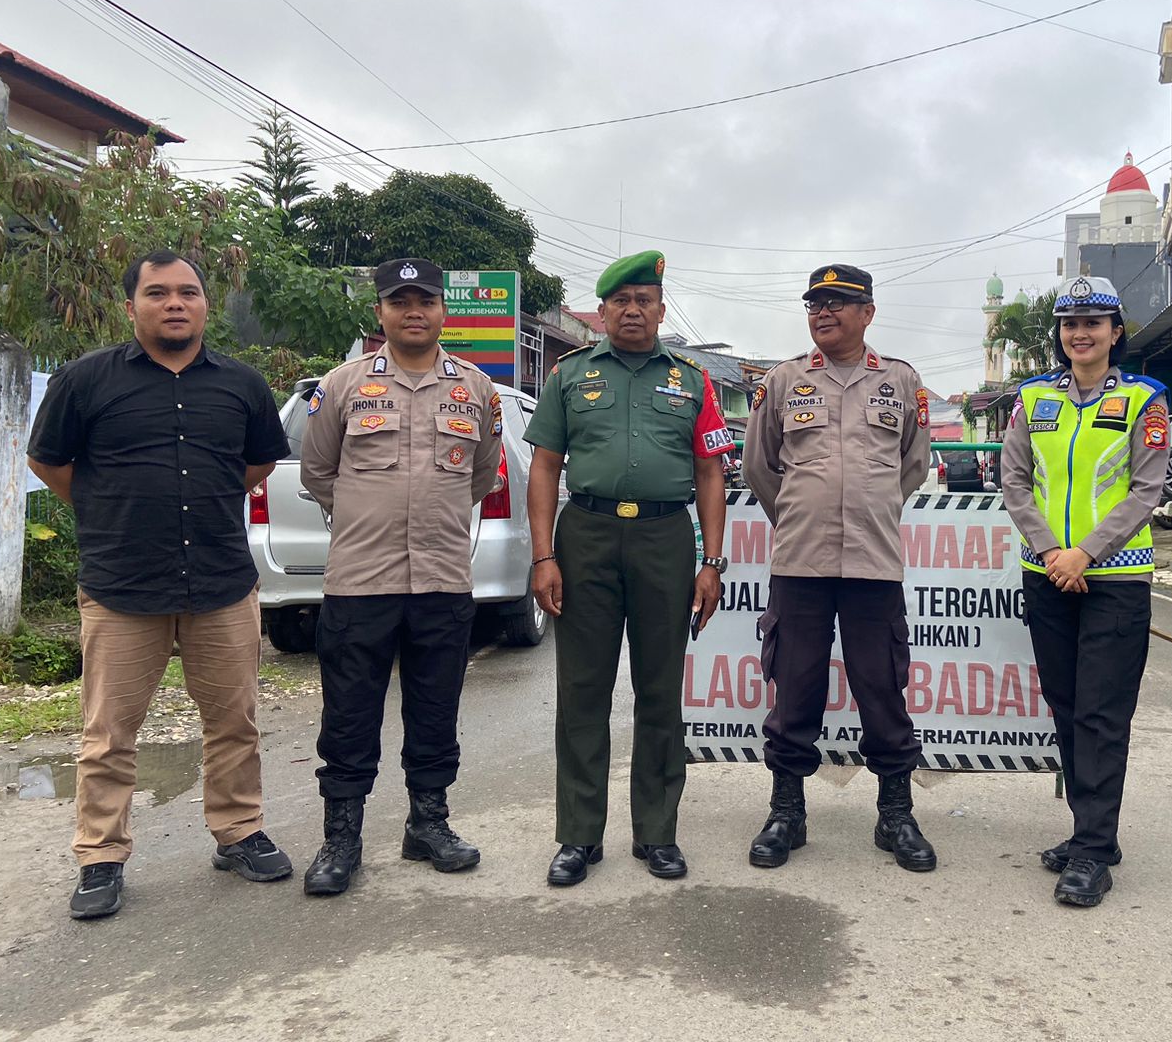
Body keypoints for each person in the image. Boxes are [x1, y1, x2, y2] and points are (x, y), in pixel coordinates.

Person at [27, 248, 294, 920]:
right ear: (131, 306)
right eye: (158, 293)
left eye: (187, 292)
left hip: (221, 582)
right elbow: (49, 460)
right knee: (108, 733)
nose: (174, 303)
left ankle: (237, 832)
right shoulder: (85, 380)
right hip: (122, 585)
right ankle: (100, 858)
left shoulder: (241, 384)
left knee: (234, 721)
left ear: (205, 304)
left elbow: (259, 461)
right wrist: (107, 509)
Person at [525, 251, 733, 886]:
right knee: (582, 689)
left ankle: (657, 833)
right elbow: (544, 468)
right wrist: (543, 556)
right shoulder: (567, 376)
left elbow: (709, 473)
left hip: (665, 539)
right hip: (584, 533)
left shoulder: (693, 381)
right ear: (604, 310)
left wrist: (712, 562)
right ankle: (579, 836)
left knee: (660, 689)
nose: (633, 310)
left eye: (645, 300)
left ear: (661, 310)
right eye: (621, 301)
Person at [298, 258, 502, 896]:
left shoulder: (475, 390)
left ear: (444, 311)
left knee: (436, 708)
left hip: (442, 578)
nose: (413, 311)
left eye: (425, 300)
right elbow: (317, 472)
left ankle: (428, 823)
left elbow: (479, 476)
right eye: (399, 300)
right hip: (361, 579)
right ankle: (342, 836)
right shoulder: (342, 386)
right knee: (350, 713)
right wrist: (370, 516)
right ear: (380, 311)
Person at [742, 264, 936, 873]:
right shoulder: (783, 380)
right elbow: (759, 466)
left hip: (874, 564)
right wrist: (805, 511)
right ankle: (786, 811)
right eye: (815, 303)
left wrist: (869, 510)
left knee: (881, 686)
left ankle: (896, 813)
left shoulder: (901, 382)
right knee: (794, 684)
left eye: (837, 303)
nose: (823, 312)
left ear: (868, 313)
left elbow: (913, 466)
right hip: (800, 561)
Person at [1000, 274, 1168, 908]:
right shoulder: (1033, 399)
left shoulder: (1146, 399)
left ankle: (1095, 851)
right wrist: (1051, 552)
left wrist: (1085, 554)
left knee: (1102, 711)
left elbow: (1147, 489)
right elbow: (1014, 481)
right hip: (1047, 574)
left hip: (1116, 578)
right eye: (1070, 323)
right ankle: (1088, 829)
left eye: (1094, 323)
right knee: (1067, 706)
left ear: (1114, 332)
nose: (1081, 333)